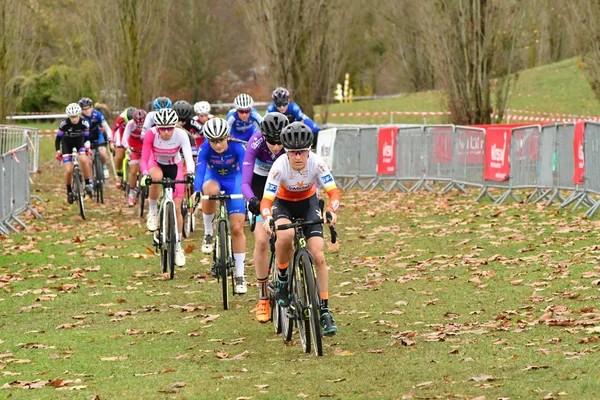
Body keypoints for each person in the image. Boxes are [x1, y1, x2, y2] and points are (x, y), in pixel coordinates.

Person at [261, 122, 341, 336]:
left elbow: (333, 193)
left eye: (302, 152)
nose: (298, 157)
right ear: (286, 152)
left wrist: (331, 211)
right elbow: (267, 201)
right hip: (283, 204)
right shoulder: (279, 167)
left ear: (309, 150)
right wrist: (268, 219)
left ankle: (324, 311)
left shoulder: (317, 163)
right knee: (285, 235)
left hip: (309, 203)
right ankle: (284, 277)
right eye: (293, 152)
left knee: (319, 255)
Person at [241, 112, 289, 322]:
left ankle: (287, 277)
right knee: (261, 241)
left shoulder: (291, 143)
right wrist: (251, 199)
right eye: (272, 141)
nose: (276, 147)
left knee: (288, 236)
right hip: (260, 190)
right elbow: (244, 182)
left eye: (279, 142)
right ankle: (263, 298)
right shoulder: (255, 142)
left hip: (284, 189)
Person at [194, 118, 248, 294]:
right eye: (213, 141)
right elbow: (201, 172)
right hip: (214, 178)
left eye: (221, 140)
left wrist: (248, 193)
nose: (217, 145)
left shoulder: (238, 147)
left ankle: (240, 275)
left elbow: (245, 173)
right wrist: (196, 191)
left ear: (228, 137)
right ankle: (209, 232)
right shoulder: (204, 149)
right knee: (209, 190)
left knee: (237, 229)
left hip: (234, 180)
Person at [140, 108, 195, 267]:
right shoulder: (151, 134)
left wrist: (190, 173)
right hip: (155, 163)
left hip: (175, 166)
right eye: (162, 128)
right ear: (157, 127)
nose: (165, 132)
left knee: (177, 209)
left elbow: (189, 158)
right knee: (155, 178)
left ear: (175, 126)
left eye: (169, 128)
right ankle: (152, 211)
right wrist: (145, 174)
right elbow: (144, 158)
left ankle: (177, 247)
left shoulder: (181, 134)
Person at [55, 103, 94, 203]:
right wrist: (58, 151)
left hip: (79, 143)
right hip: (66, 145)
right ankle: (69, 191)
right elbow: (58, 139)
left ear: (80, 115)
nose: (74, 119)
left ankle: (88, 183)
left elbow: (87, 138)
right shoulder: (64, 124)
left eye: (76, 116)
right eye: (72, 117)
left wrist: (88, 148)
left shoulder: (84, 123)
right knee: (68, 170)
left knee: (84, 160)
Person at [79, 97, 113, 179]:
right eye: (84, 109)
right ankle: (90, 180)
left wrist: (110, 139)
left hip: (97, 135)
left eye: (88, 108)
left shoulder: (97, 115)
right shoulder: (79, 118)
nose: (87, 111)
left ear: (92, 107)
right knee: (89, 160)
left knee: (103, 152)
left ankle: (104, 167)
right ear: (81, 110)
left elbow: (107, 129)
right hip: (85, 138)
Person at [121, 109, 147, 206]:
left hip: (145, 146)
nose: (140, 127)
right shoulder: (130, 124)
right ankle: (131, 193)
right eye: (138, 125)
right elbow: (124, 139)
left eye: (142, 125)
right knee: (133, 170)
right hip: (133, 147)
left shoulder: (150, 123)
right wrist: (127, 148)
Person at [113, 107, 136, 189]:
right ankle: (119, 175)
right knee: (119, 156)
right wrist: (112, 142)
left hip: (134, 135)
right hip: (121, 134)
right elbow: (114, 130)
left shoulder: (140, 117)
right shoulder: (120, 118)